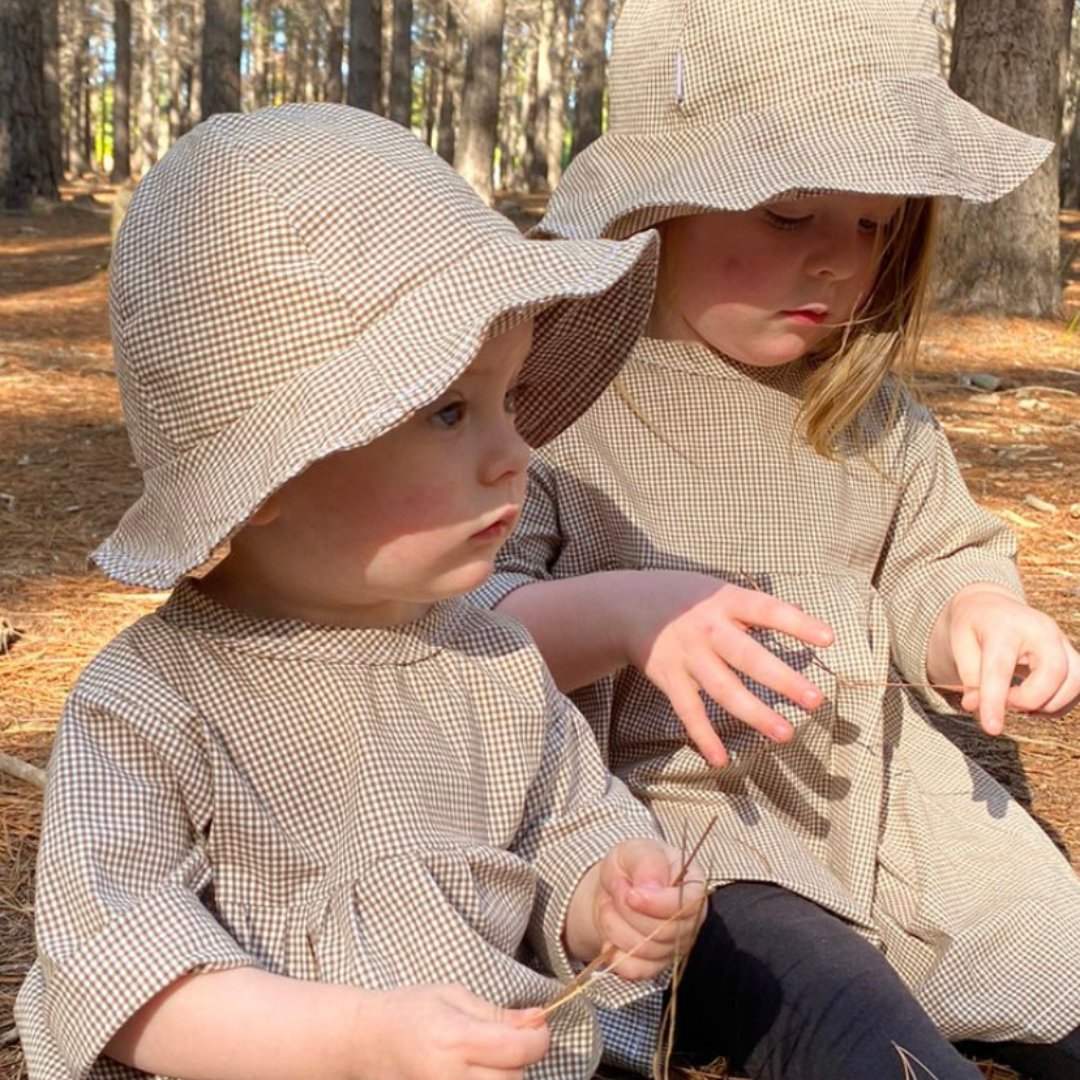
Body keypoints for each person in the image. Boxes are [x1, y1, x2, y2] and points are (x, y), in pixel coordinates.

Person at [15, 104, 708, 1080]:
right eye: (449, 412)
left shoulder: (495, 662)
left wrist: (616, 897)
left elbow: (567, 833)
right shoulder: (152, 703)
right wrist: (352, 1045)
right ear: (269, 477)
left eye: (508, 402)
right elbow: (123, 973)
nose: (515, 454)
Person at [471, 1, 1080, 1077]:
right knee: (857, 1035)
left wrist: (977, 618)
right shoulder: (557, 404)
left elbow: (937, 555)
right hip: (681, 825)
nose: (839, 264)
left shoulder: (868, 414)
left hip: (894, 811)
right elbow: (472, 630)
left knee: (1061, 963)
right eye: (794, 216)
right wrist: (625, 615)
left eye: (874, 226)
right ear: (659, 210)